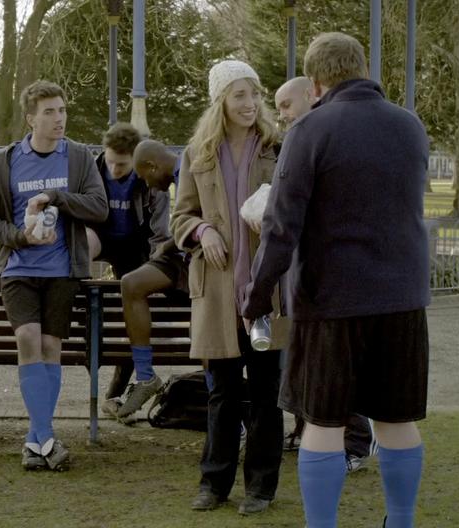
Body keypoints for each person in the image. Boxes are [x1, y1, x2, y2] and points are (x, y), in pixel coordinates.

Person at [242, 33, 430, 528]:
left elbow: (281, 228)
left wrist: (257, 297)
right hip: (402, 298)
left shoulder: (310, 130)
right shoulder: (410, 126)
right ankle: (401, 520)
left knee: (322, 421)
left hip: (330, 299)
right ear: (361, 67)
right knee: (396, 418)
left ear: (318, 82)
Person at [170, 60, 288, 515]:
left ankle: (261, 487)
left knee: (264, 392)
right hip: (217, 292)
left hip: (265, 290)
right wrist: (203, 231)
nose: (249, 103)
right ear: (220, 101)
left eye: (254, 94)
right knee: (221, 392)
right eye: (239, 95)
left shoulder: (278, 148)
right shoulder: (197, 153)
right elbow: (178, 217)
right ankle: (213, 484)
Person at [0, 80, 108, 471]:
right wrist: (19, 237)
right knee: (27, 338)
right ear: (30, 118)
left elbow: (99, 208)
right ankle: (47, 438)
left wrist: (57, 198)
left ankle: (38, 441)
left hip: (62, 270)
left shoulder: (78, 157)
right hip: (18, 268)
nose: (59, 119)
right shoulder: (6, 160)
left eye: (62, 110)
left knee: (51, 348)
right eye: (49, 112)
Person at [274, 76, 375, 472]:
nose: (281, 114)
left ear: (310, 95)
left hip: (334, 276)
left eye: (286, 104)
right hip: (304, 275)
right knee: (304, 363)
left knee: (338, 368)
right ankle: (307, 431)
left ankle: (354, 444)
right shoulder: (300, 138)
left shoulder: (322, 134)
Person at [94, 139, 189, 422]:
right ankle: (146, 377)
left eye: (145, 176)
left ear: (152, 166)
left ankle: (224, 411)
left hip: (197, 260)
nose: (147, 184)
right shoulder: (176, 175)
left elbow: (200, 221)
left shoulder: (190, 174)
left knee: (202, 317)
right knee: (132, 283)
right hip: (179, 255)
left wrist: (167, 246)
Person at [84, 123, 173, 412]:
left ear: (135, 160)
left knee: (131, 310)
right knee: (83, 245)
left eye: (121, 164)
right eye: (110, 161)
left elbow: (160, 232)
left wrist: (154, 266)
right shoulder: (93, 169)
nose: (114, 169)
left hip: (136, 245)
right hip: (102, 236)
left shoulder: (150, 179)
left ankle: (115, 394)